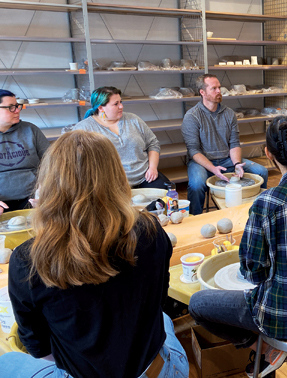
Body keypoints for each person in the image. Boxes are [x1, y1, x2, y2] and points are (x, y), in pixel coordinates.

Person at [0, 131, 188, 378]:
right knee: (163, 319)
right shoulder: (151, 229)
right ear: (117, 177)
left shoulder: (28, 258)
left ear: (48, 185)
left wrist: (50, 219)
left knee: (8, 361)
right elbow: (158, 300)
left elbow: (38, 347)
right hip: (157, 370)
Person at [188, 115, 287, 377]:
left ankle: (262, 349)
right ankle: (267, 351)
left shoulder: (267, 203)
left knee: (198, 304)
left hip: (284, 320)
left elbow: (252, 273)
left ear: (268, 154)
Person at [181, 74, 268, 215]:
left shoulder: (229, 114)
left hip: (227, 160)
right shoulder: (192, 116)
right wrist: (213, 169)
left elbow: (234, 143)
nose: (219, 91)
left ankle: (256, 214)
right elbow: (194, 151)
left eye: (219, 88)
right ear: (202, 92)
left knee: (261, 172)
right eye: (214, 88)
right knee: (196, 185)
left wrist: (236, 164)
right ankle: (195, 219)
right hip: (202, 162)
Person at [72, 86, 167, 189]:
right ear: (100, 108)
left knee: (167, 198)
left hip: (145, 178)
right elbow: (76, 160)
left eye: (121, 102)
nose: (121, 106)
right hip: (110, 185)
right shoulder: (84, 128)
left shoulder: (133, 119)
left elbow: (153, 144)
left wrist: (152, 168)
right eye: (116, 104)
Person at [0, 89, 49, 215]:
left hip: (34, 199)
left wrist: (44, 188)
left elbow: (51, 163)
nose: (17, 111)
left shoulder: (30, 130)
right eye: (10, 107)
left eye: (17, 106)